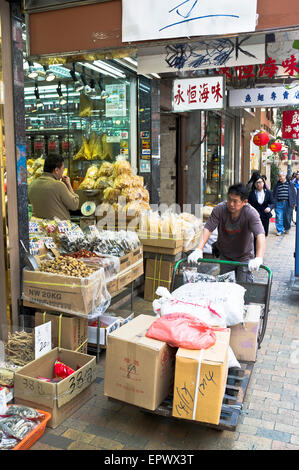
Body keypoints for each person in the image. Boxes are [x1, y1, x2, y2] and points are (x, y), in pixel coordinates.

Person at [188, 183, 266, 282]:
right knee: (225, 285)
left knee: (244, 285)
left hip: (244, 256)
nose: (231, 204)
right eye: (229, 199)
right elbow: (208, 228)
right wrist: (199, 249)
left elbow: (260, 235)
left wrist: (259, 258)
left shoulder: (251, 213)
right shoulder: (220, 209)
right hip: (225, 256)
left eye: (235, 201)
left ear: (244, 202)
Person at [28, 154, 79, 220]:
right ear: (56, 170)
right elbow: (74, 205)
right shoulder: (58, 185)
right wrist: (69, 185)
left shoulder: (32, 184)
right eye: (63, 168)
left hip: (40, 227)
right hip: (57, 228)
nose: (63, 171)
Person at [248, 175, 274, 246]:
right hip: (254, 217)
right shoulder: (251, 193)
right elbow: (248, 204)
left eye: (260, 182)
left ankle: (260, 247)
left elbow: (272, 202)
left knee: (263, 233)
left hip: (265, 216)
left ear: (263, 182)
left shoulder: (268, 192)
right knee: (254, 234)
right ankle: (255, 250)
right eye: (256, 183)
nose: (258, 184)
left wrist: (270, 208)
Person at [272, 170, 297, 235]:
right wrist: (273, 203)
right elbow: (274, 194)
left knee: (287, 217)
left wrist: (294, 202)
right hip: (279, 203)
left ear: (284, 176)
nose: (280, 178)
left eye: (281, 176)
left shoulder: (290, 184)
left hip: (288, 203)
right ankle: (280, 230)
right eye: (279, 176)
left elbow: (294, 193)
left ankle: (287, 228)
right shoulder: (276, 184)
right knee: (279, 217)